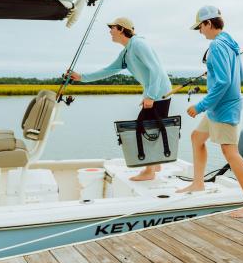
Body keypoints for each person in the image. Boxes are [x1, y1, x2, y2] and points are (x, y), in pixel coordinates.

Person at [177, 6, 243, 218]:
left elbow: (224, 82)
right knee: (197, 137)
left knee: (230, 153)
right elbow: (238, 76)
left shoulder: (217, 45)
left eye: (200, 27)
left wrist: (199, 106)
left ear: (208, 23)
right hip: (220, 106)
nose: (200, 32)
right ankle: (198, 183)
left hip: (223, 107)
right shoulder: (230, 43)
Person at [67, 17, 172, 181]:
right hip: (155, 93)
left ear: (122, 29)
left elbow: (156, 70)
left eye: (112, 27)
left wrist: (150, 95)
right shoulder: (126, 52)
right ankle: (155, 165)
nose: (110, 31)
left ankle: (149, 171)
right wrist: (81, 77)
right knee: (149, 127)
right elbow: (108, 70)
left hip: (160, 92)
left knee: (144, 128)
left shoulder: (138, 44)